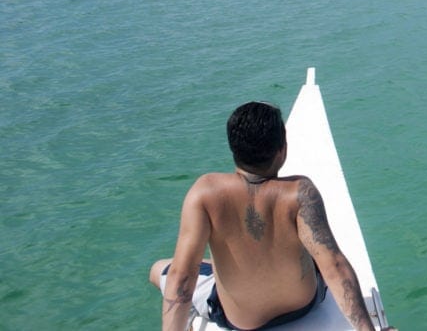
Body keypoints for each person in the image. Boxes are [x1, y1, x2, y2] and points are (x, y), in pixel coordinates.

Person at [149, 102, 393, 331]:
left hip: (242, 322)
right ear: (282, 149)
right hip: (304, 306)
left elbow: (181, 277)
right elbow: (335, 266)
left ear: (233, 148)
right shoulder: (300, 192)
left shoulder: (205, 193)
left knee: (160, 268)